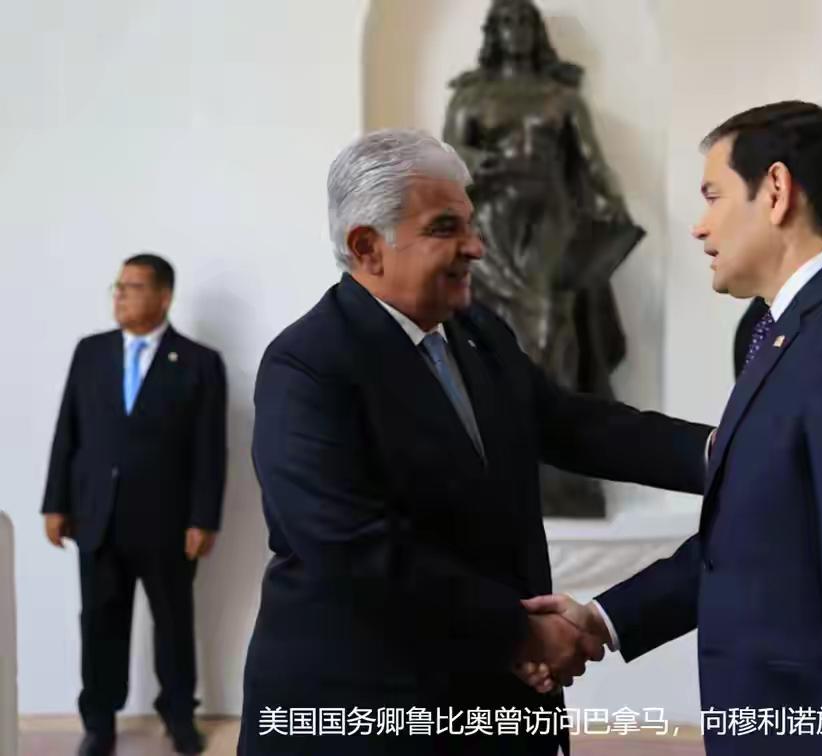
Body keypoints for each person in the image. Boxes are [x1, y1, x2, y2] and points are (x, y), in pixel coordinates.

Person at [522, 102, 822, 755]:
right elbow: (755, 535)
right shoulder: (779, 332)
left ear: (775, 191)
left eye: (713, 195)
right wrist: (605, 617)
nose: (699, 224)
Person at [236, 129, 711, 756]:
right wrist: (519, 631)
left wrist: (725, 451)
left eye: (470, 224)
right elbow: (351, 547)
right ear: (367, 247)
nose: (477, 247)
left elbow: (576, 426)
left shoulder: (477, 332)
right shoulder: (308, 365)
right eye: (446, 229)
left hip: (493, 702)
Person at [443, 0, 645, 517]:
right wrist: (478, 161)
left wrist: (615, 207)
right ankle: (500, 462)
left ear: (536, 32)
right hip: (491, 223)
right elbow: (448, 157)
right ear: (494, 32)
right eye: (507, 21)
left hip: (548, 221)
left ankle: (557, 466)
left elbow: (593, 163)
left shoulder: (562, 98)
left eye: (524, 21)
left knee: (553, 328)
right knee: (488, 340)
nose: (516, 31)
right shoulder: (471, 96)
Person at [41, 253, 226, 756]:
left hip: (168, 522)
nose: (120, 294)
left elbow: (210, 449)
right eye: (118, 286)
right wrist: (55, 504)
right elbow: (67, 430)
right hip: (96, 516)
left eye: (133, 286)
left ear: (163, 296)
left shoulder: (198, 362)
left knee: (174, 624)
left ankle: (179, 716)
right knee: (99, 624)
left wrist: (204, 518)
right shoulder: (91, 352)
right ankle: (99, 722)